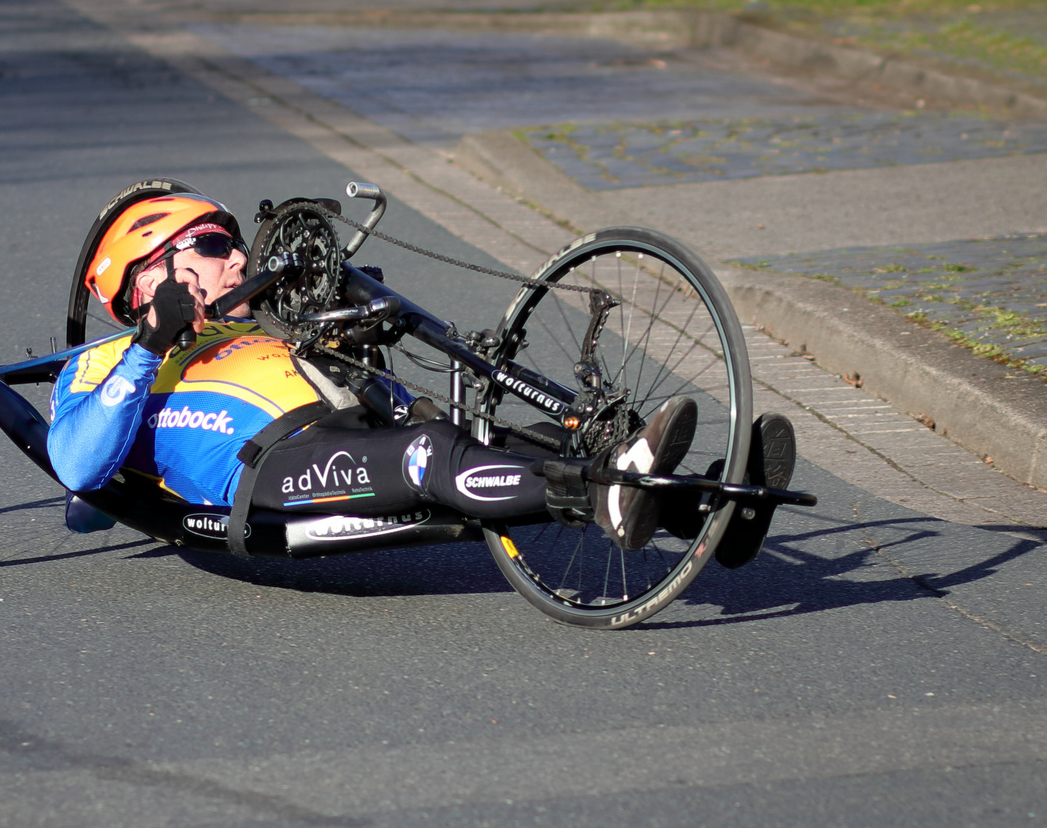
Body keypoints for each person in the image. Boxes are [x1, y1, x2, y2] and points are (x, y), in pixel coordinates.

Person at [48, 190, 789, 562]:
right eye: (214, 246)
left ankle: (707, 514)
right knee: (428, 454)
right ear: (149, 271)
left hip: (353, 430)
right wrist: (149, 343)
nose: (238, 258)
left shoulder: (255, 322)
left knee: (498, 436)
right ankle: (605, 491)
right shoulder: (103, 363)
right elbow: (81, 472)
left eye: (236, 243)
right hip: (267, 472)